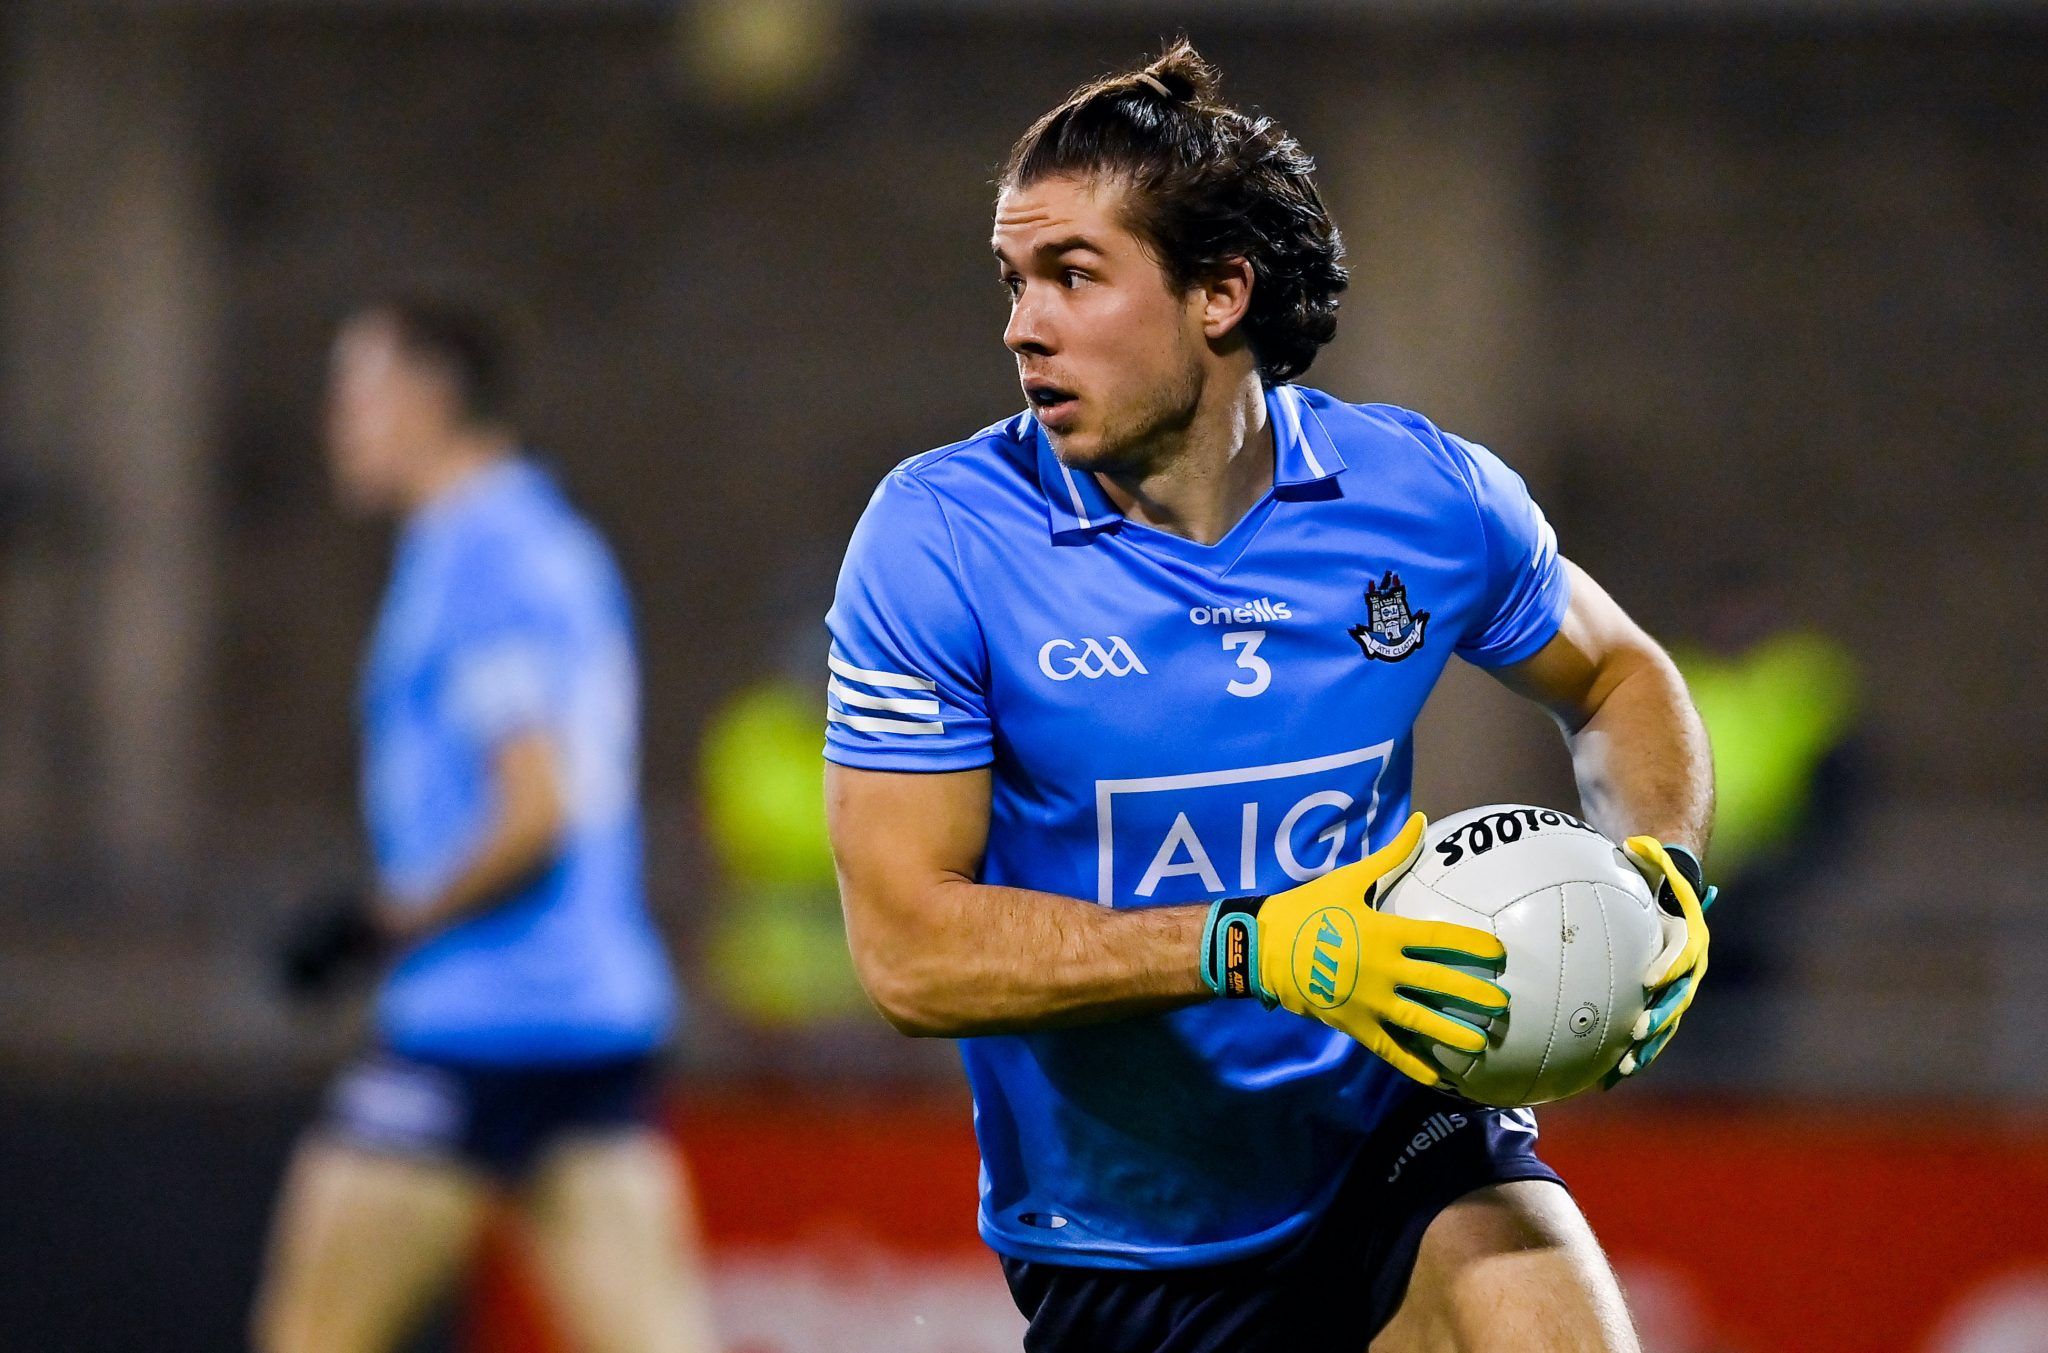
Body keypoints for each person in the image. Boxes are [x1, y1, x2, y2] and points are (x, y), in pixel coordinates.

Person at [823, 42, 1713, 1353]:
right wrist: (1256, 945)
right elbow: (908, 952)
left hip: (1391, 1133)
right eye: (1015, 281)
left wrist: (1662, 872)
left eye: (1073, 274)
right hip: (1127, 1241)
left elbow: (1619, 673)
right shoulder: (942, 540)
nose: (1022, 325)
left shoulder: (1420, 496)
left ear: (1220, 293)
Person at [254, 289, 718, 1353]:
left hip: (478, 1027)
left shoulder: (483, 555)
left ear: (428, 396)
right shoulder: (547, 541)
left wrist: (381, 922)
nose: (336, 421)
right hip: (593, 1023)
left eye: (355, 392)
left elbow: (535, 809)